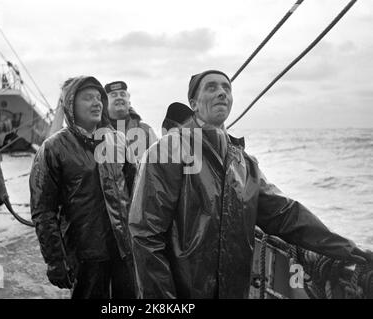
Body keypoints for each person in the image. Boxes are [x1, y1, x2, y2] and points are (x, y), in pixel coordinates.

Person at [128, 69, 373, 299]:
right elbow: (145, 235)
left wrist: (351, 250)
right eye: (211, 88)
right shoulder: (167, 150)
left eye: (226, 87)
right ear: (193, 104)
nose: (222, 92)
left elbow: (286, 214)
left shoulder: (243, 162)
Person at [29, 76, 136, 299]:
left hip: (124, 248)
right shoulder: (53, 148)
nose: (97, 102)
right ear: (70, 104)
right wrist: (55, 260)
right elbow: (43, 210)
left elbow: (135, 193)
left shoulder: (119, 141)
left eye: (99, 98)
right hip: (84, 252)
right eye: (88, 98)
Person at [105, 80, 158, 161]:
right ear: (105, 102)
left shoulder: (146, 131)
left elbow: (159, 161)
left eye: (122, 94)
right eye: (113, 95)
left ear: (129, 101)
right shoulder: (96, 131)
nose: (119, 97)